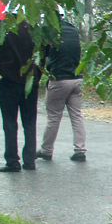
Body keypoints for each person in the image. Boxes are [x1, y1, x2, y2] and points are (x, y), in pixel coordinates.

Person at [0, 17, 41, 172]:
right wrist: (37, 76)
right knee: (29, 123)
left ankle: (12, 162)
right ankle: (30, 161)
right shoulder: (34, 28)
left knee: (10, 123)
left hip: (9, 82)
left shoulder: (3, 27)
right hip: (30, 82)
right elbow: (43, 54)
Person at [37, 15, 86, 162]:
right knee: (76, 116)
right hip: (76, 79)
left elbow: (42, 56)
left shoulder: (49, 32)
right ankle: (80, 150)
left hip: (59, 80)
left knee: (54, 117)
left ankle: (46, 150)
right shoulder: (73, 29)